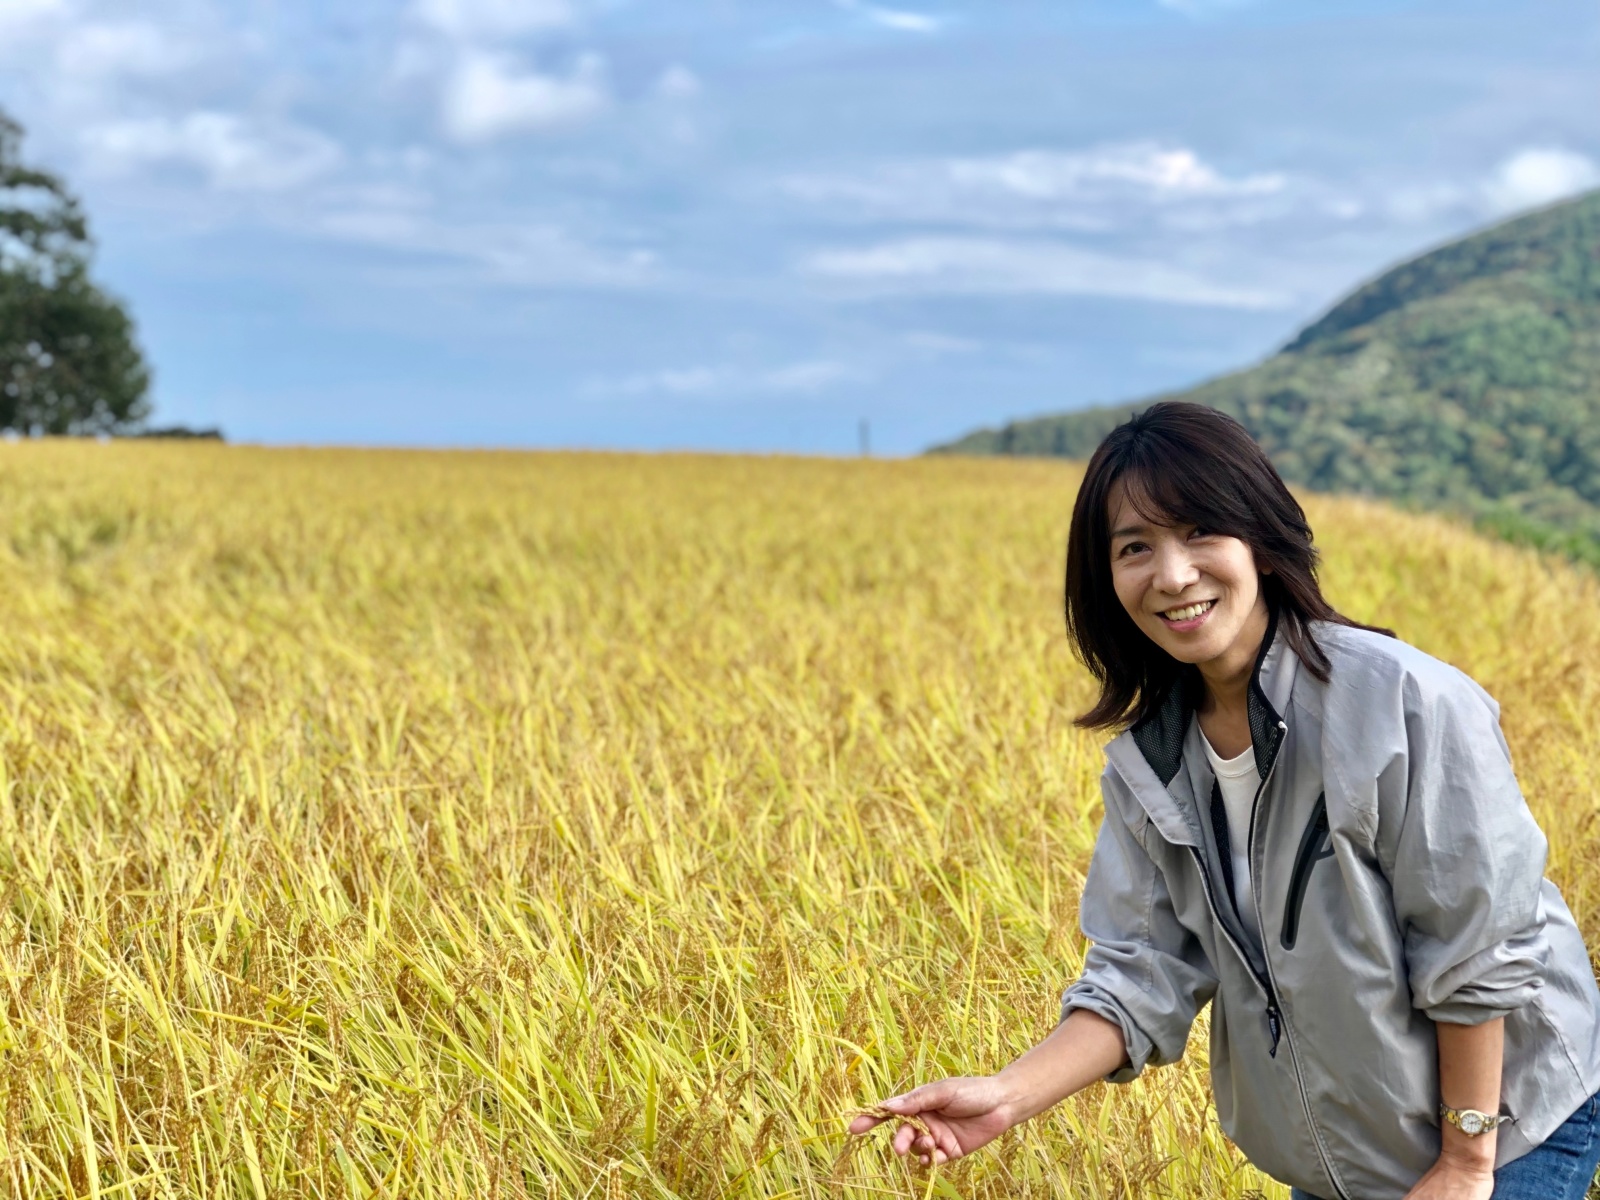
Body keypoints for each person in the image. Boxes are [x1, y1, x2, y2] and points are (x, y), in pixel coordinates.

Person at [850, 403, 1600, 1200]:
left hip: (1512, 1124)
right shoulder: (1155, 761)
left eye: (1201, 531)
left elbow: (1476, 949)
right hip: (1352, 1157)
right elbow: (1144, 969)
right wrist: (1006, 1096)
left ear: (1262, 541)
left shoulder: (1404, 704)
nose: (1172, 575)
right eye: (1135, 548)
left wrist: (1465, 1161)